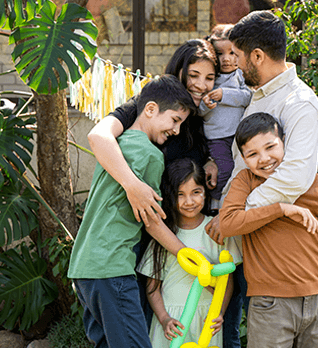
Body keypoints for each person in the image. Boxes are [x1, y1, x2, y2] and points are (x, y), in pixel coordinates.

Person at [205, 11, 318, 348]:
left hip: (280, 254)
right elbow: (245, 165)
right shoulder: (260, 95)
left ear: (257, 56)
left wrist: (237, 213)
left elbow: (295, 175)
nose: (236, 66)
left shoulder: (299, 103)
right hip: (247, 242)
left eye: (240, 57)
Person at [87, 39, 220, 330]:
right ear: (179, 72)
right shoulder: (148, 107)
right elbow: (99, 137)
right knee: (141, 323)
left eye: (210, 77)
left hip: (183, 230)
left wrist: (208, 159)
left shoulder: (194, 117)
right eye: (194, 75)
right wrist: (132, 185)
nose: (201, 84)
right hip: (147, 233)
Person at [68, 75, 197, 348]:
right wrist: (186, 253)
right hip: (111, 267)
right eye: (175, 120)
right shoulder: (151, 155)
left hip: (84, 269)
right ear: (150, 109)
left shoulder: (116, 145)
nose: (176, 130)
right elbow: (151, 222)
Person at [219, 112, 318, 347]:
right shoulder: (246, 180)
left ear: (284, 143)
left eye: (270, 147)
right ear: (243, 158)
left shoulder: (308, 180)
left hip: (317, 299)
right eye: (252, 154)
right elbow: (228, 223)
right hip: (270, 304)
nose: (264, 159)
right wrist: (282, 209)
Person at [137, 158, 242, 347]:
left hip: (206, 320)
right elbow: (152, 287)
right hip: (172, 322)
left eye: (196, 192)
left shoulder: (215, 231)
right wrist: (163, 319)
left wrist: (219, 312)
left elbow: (228, 281)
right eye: (180, 194)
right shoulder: (164, 235)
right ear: (170, 196)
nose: (189, 201)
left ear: (205, 192)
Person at [201, 24, 252, 204]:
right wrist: (206, 105)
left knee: (240, 171)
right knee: (224, 169)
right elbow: (199, 110)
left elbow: (248, 97)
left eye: (231, 53)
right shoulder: (210, 77)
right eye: (220, 54)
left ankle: (232, 206)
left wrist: (225, 94)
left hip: (238, 136)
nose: (226, 59)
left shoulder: (240, 75)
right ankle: (216, 206)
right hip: (216, 137)